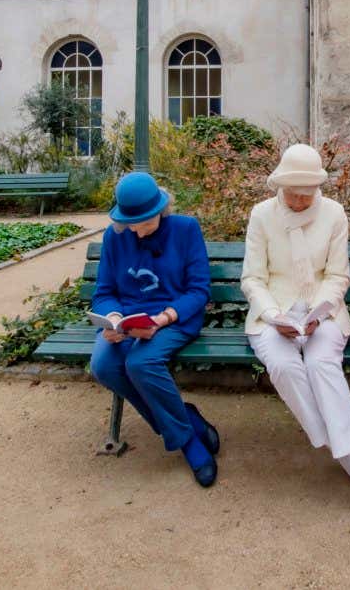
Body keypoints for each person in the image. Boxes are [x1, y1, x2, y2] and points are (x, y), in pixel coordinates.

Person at [240, 144, 350, 531]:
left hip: (321, 311)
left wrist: (321, 310)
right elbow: (252, 278)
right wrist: (274, 315)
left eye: (306, 194)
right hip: (274, 311)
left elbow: (338, 275)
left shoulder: (333, 213)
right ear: (280, 185)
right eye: (293, 193)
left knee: (320, 362)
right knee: (282, 364)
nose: (299, 201)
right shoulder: (262, 215)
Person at [88, 172, 220, 486]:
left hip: (173, 317)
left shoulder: (186, 229)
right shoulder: (115, 236)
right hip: (128, 322)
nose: (136, 228)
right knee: (103, 365)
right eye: (130, 222)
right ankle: (186, 420)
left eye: (145, 220)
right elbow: (104, 292)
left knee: (141, 362)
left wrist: (163, 318)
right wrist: (114, 318)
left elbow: (199, 290)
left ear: (162, 209)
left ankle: (189, 444)